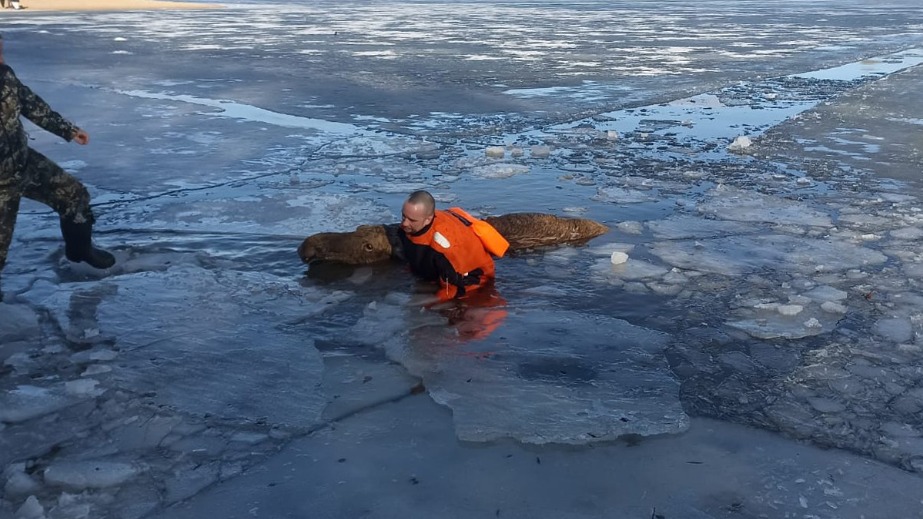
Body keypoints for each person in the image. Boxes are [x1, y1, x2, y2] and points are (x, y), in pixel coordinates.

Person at [0, 32, 115, 301]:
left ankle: (80, 252)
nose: (1, 55)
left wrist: (68, 130)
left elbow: (32, 105)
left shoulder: (6, 76)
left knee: (74, 196)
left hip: (24, 162)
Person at [398, 190, 497, 301]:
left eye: (412, 220)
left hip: (473, 277)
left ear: (427, 220)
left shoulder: (443, 247)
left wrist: (431, 303)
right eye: (403, 216)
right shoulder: (412, 224)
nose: (405, 223)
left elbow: (453, 288)